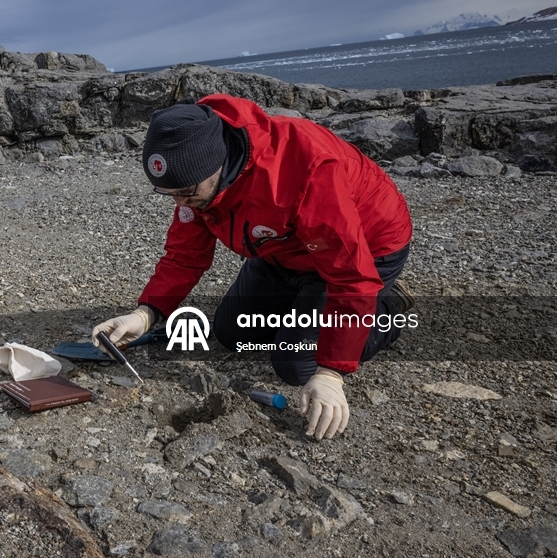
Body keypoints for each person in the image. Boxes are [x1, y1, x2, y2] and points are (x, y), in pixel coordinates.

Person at [92, 95, 413, 440]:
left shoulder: (307, 171)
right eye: (167, 193)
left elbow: (350, 277)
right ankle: (307, 307)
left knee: (296, 363)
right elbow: (185, 255)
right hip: (281, 250)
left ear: (217, 164)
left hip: (366, 250)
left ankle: (388, 308)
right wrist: (145, 314)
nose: (180, 203)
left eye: (185, 192)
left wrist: (332, 373)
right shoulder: (196, 183)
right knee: (232, 333)